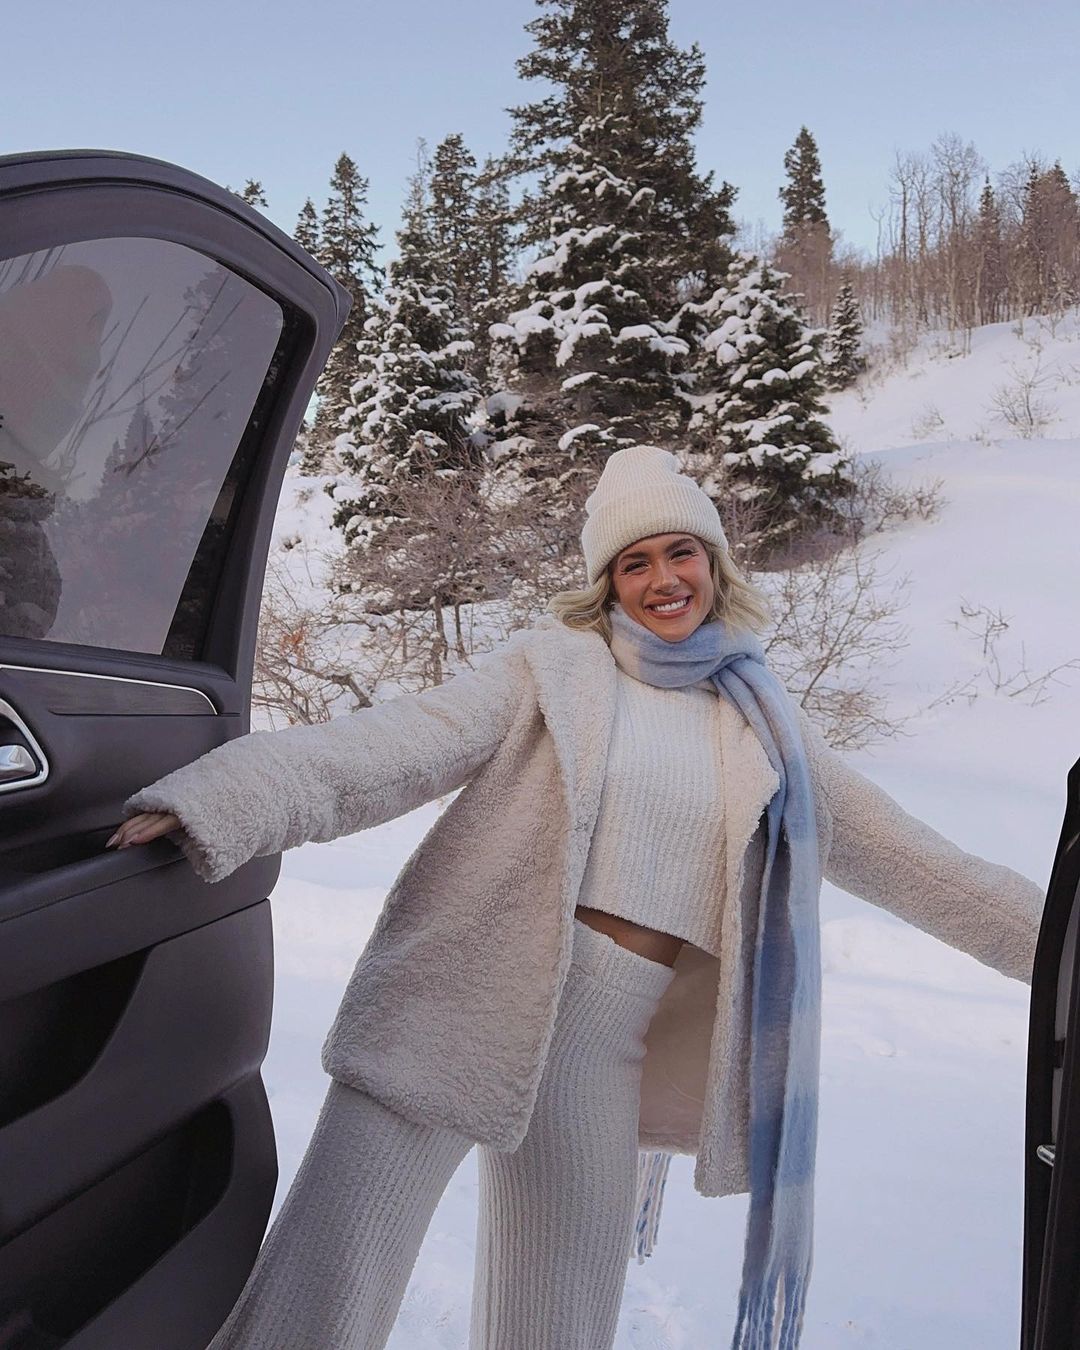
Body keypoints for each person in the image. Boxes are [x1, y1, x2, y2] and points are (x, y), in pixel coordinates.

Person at [107, 445, 1045, 1350]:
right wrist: (227, 797)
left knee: (560, 1322)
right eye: (635, 563)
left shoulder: (764, 725)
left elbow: (915, 861)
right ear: (608, 584)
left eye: (681, 552)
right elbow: (391, 748)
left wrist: (1059, 942)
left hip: (603, 1049)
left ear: (715, 564)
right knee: (324, 1292)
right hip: (456, 1001)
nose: (662, 578)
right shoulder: (551, 672)